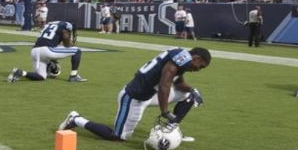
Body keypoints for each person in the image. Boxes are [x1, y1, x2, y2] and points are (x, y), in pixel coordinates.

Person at [58, 47, 211, 141]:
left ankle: (170, 130)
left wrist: (191, 89)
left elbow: (177, 82)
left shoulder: (181, 58)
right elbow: (165, 84)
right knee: (118, 137)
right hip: (133, 97)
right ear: (196, 58)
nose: (198, 70)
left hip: (150, 94)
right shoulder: (182, 58)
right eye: (200, 66)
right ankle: (76, 119)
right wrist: (165, 111)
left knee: (190, 95)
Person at [7, 20, 86, 82]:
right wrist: (70, 43)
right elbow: (66, 42)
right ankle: (73, 76)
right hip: (46, 50)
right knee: (77, 51)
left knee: (41, 76)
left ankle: (21, 72)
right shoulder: (66, 25)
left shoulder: (51, 24)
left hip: (34, 51)